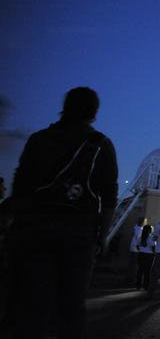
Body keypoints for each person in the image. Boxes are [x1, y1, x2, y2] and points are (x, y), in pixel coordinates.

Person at [2, 86, 118, 339]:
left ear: (65, 106)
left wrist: (14, 226)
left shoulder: (39, 139)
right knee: (72, 304)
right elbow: (109, 197)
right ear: (94, 113)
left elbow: (20, 188)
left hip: (36, 229)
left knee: (32, 302)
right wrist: (103, 236)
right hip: (78, 233)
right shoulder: (100, 145)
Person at [136, 225, 155, 290]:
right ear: (150, 230)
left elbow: (137, 246)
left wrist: (142, 250)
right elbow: (153, 247)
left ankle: (138, 286)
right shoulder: (151, 237)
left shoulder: (140, 237)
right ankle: (145, 286)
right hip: (149, 255)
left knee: (140, 271)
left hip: (141, 254)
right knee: (147, 271)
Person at [129, 217, 145, 284]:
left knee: (132, 265)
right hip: (136, 249)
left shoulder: (136, 227)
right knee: (135, 265)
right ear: (142, 222)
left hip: (133, 248)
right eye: (144, 221)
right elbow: (138, 239)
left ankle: (130, 279)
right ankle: (133, 280)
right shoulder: (139, 229)